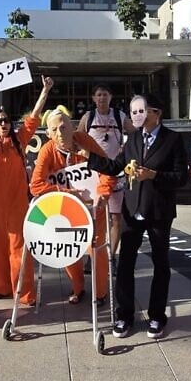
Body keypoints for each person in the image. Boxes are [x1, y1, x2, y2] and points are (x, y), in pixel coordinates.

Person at [84, 93, 187, 339]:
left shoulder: (173, 139)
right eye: (133, 112)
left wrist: (153, 175)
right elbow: (114, 166)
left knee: (161, 264)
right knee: (126, 264)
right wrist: (87, 155)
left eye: (141, 111)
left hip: (159, 211)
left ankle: (157, 316)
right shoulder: (131, 140)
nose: (137, 116)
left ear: (156, 113)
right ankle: (124, 315)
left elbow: (182, 177)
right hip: (132, 210)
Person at [0, 77, 52, 304]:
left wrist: (45, 90)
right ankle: (1, 287)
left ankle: (24, 293)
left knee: (19, 246)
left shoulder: (19, 140)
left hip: (16, 204)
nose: (3, 124)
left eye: (6, 121)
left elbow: (34, 117)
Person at [31, 108, 115, 305]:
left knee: (97, 248)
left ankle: (100, 293)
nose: (61, 133)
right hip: (67, 209)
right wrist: (63, 192)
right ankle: (78, 288)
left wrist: (103, 193)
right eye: (55, 129)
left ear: (72, 126)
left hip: (94, 206)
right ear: (49, 134)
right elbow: (35, 186)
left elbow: (106, 169)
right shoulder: (47, 151)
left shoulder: (84, 140)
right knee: (69, 248)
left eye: (64, 126)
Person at [78, 83, 135, 262]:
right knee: (92, 216)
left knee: (115, 217)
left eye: (105, 94)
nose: (102, 98)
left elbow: (135, 134)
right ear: (94, 98)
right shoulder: (88, 117)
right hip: (94, 174)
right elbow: (77, 139)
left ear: (110, 97)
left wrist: (126, 149)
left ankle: (111, 258)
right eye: (99, 95)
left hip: (116, 173)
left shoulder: (119, 115)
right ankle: (93, 256)